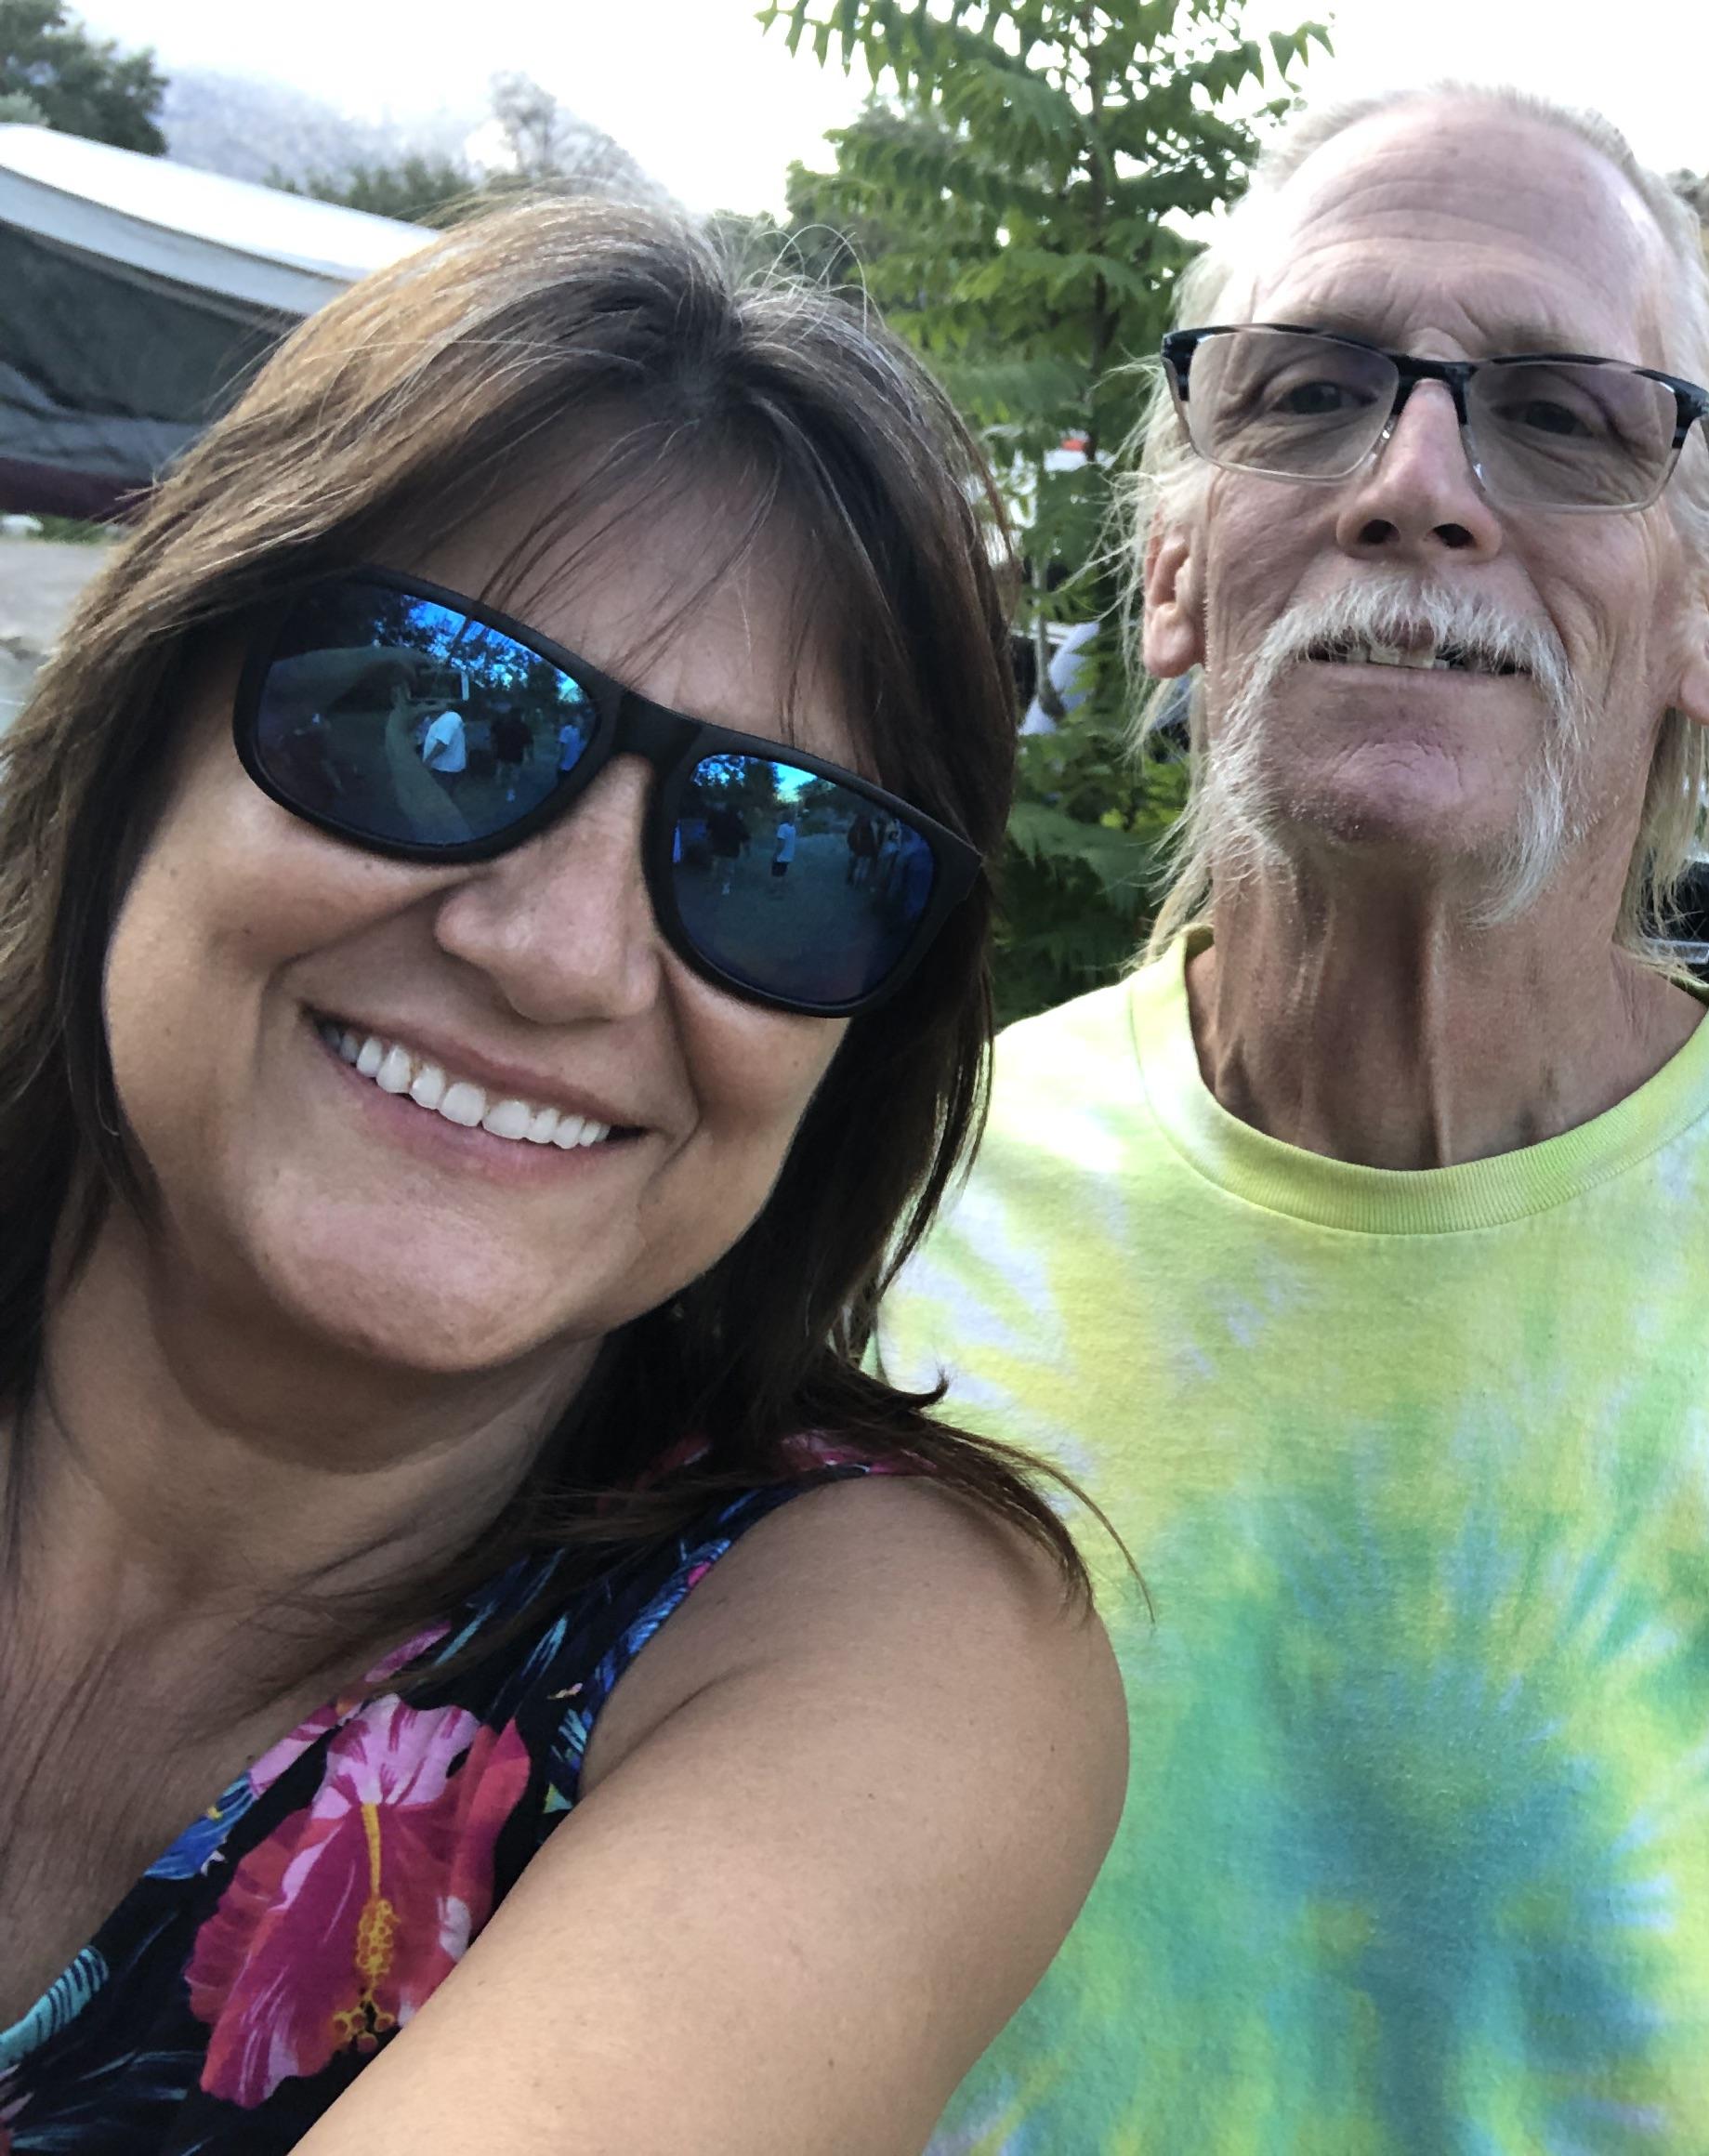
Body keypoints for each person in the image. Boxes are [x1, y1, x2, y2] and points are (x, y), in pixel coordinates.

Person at [880, 85, 1709, 2153]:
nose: (1415, 484)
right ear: (1171, 574)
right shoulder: (896, 1201)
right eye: (1309, 392)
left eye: (1565, 419)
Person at [0, 196, 1125, 2153]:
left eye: (782, 852)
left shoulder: (863, 1652)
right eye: (435, 719)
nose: (562, 956)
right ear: (144, 722)